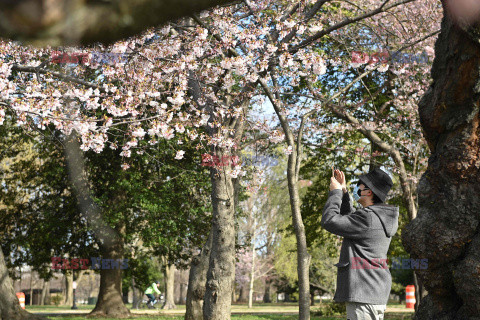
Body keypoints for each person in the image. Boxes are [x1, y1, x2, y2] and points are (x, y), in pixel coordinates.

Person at [321, 167, 399, 320]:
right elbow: (351, 220)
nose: (356, 188)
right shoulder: (378, 217)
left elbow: (329, 220)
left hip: (364, 293)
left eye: (359, 185)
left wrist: (335, 193)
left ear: (368, 192)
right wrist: (343, 193)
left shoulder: (368, 218)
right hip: (372, 292)